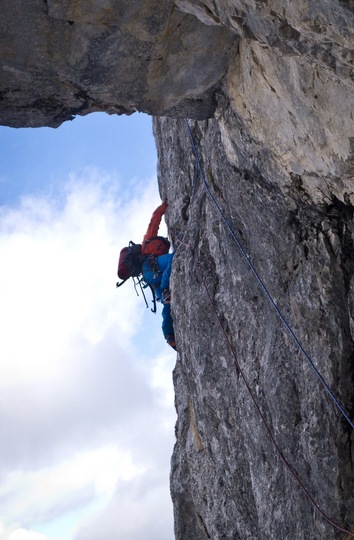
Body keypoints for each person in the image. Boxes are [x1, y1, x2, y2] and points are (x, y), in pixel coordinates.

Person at [141, 202, 176, 351]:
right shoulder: (147, 243)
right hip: (151, 268)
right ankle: (165, 288)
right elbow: (154, 220)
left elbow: (154, 222)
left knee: (166, 303)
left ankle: (168, 335)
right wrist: (164, 206)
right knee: (174, 258)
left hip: (151, 278)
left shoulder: (148, 246)